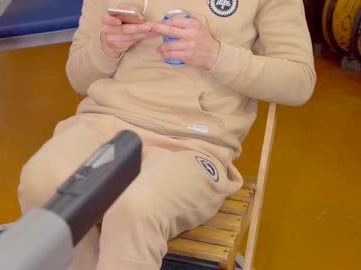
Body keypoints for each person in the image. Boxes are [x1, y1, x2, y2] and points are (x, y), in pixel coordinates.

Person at [18, 0, 316, 269]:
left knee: (136, 208)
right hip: (105, 123)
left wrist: (215, 55)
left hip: (194, 144)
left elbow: (299, 82)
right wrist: (106, 46)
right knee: (40, 182)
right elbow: (79, 78)